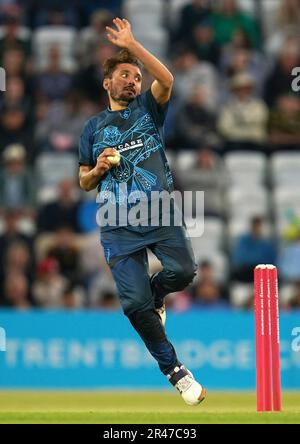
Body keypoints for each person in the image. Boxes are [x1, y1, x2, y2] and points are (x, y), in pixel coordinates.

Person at [78, 18, 205, 406]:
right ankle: (176, 371)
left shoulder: (149, 109)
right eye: (125, 75)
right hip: (118, 225)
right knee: (134, 306)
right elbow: (84, 180)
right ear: (107, 83)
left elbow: (165, 78)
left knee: (183, 272)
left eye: (136, 75)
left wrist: (133, 46)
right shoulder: (93, 128)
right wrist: (98, 169)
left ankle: (158, 296)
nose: (133, 80)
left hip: (160, 213)